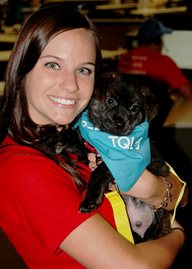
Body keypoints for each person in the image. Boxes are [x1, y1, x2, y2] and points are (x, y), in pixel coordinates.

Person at [0, 5, 187, 269]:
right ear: (22, 69)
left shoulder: (88, 134)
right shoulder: (22, 168)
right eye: (53, 64)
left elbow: (183, 193)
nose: (71, 84)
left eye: (84, 69)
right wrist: (178, 233)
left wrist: (152, 189)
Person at [118, 18, 192, 100]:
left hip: (130, 107)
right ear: (156, 40)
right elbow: (187, 92)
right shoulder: (163, 61)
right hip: (156, 109)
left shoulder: (125, 58)